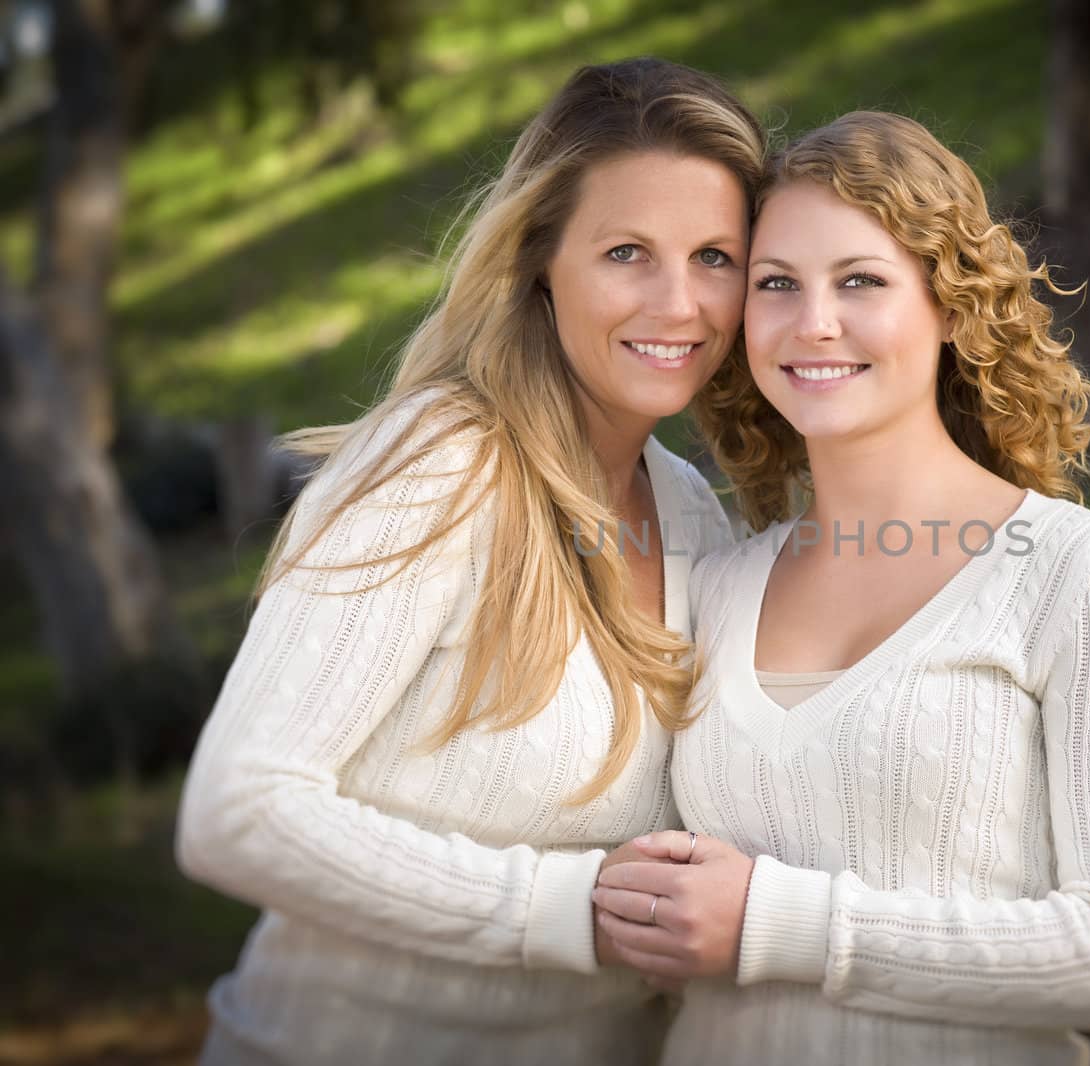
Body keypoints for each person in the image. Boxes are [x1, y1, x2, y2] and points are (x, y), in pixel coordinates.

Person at [175, 58, 765, 1065]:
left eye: (715, 256)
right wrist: (567, 908)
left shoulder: (692, 515)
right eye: (628, 252)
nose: (681, 303)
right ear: (542, 260)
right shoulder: (442, 462)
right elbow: (237, 811)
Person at [592, 111, 1090, 1065]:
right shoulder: (717, 582)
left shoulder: (1077, 572)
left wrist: (775, 923)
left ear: (950, 306)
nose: (812, 323)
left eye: (861, 281)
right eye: (776, 284)